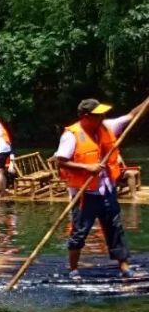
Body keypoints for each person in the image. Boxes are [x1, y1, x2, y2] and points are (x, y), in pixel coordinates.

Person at [52, 98, 143, 280]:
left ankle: (124, 266)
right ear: (86, 117)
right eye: (98, 114)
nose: (103, 116)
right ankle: (73, 269)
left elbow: (133, 115)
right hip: (84, 193)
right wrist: (87, 168)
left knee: (115, 228)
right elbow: (60, 161)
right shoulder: (72, 135)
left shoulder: (107, 126)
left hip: (107, 190)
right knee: (80, 231)